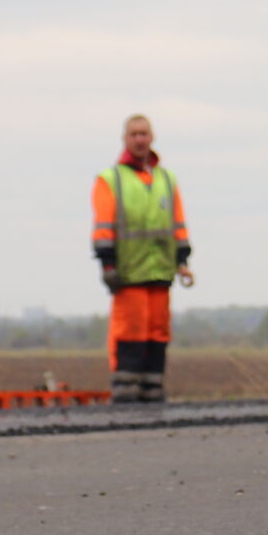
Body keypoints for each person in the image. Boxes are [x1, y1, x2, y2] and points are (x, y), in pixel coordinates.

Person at [90, 114, 192, 404]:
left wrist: (182, 259)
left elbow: (178, 225)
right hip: (128, 273)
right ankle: (126, 392)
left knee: (158, 331)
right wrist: (108, 265)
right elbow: (103, 226)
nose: (139, 139)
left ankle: (153, 391)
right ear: (125, 139)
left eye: (144, 134)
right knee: (129, 330)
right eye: (134, 134)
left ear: (152, 137)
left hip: (161, 270)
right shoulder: (111, 180)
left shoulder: (167, 179)